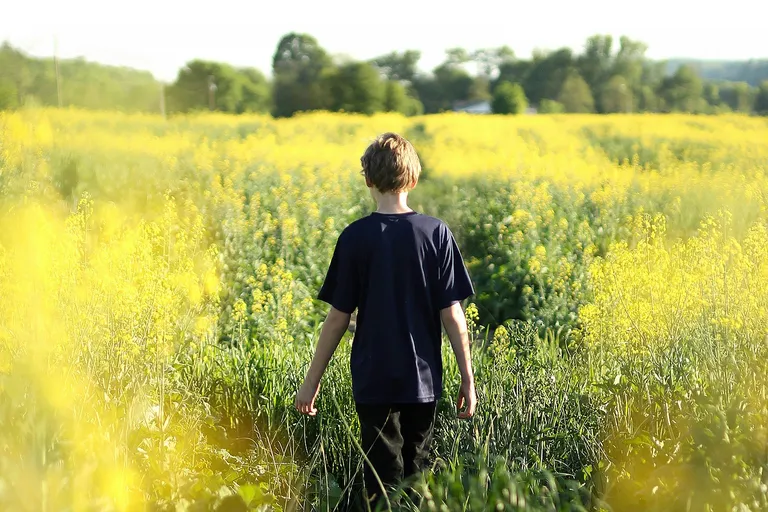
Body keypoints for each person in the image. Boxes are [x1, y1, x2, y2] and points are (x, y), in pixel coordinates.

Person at [295, 132, 476, 508]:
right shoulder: (436, 233)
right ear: (413, 179)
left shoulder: (355, 237)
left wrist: (311, 383)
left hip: (373, 379)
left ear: (368, 180)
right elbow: (453, 315)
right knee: (417, 477)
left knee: (381, 482)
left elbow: (337, 320)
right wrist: (467, 379)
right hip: (423, 380)